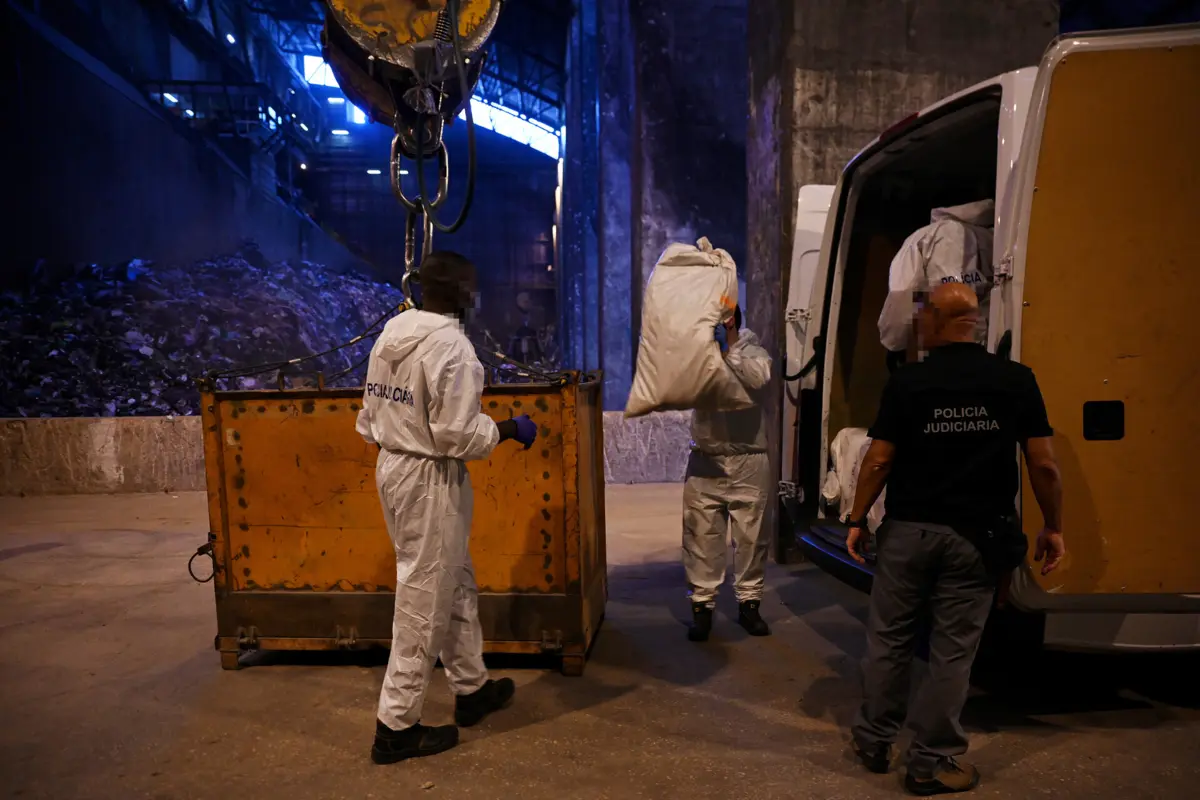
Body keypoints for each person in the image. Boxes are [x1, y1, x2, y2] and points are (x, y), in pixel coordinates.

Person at [844, 283, 1065, 795]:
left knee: (889, 639)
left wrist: (856, 518)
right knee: (951, 651)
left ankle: (875, 740)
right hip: (977, 538)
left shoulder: (909, 382)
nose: (918, 324)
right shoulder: (1014, 381)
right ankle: (931, 762)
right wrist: (1053, 525)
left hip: (908, 534)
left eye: (923, 317)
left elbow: (879, 458)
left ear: (938, 323)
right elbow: (1044, 464)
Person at [355, 251, 539, 765]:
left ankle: (471, 687)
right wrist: (507, 429)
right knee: (422, 599)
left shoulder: (393, 332)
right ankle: (395, 727)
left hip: (394, 466)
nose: (475, 296)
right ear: (459, 292)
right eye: (471, 287)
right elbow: (459, 435)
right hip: (429, 477)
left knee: (453, 580)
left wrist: (401, 443)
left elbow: (370, 416)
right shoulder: (453, 349)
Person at [683, 304, 774, 641]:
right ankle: (701, 608)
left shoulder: (754, 352)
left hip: (748, 460)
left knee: (751, 539)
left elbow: (758, 379)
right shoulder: (701, 355)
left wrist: (728, 348)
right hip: (706, 460)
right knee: (700, 535)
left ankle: (749, 605)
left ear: (729, 321)